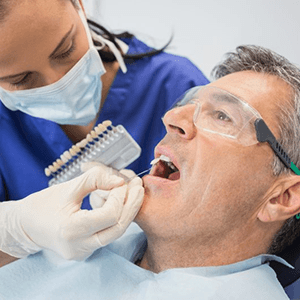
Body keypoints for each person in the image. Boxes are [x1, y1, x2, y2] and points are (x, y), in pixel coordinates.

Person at [1, 44, 300, 299]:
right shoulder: (75, 242)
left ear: (282, 196)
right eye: (187, 103)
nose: (172, 117)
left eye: (223, 116)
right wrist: (15, 231)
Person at [0, 0, 208, 263]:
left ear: (80, 6)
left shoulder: (176, 88)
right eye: (20, 79)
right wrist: (16, 230)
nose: (58, 83)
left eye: (65, 49)